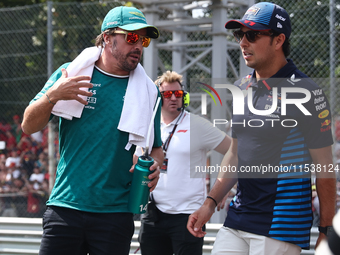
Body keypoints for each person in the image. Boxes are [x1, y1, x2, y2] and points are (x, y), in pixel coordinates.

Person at [187, 2, 336, 255]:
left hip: (281, 226)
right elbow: (235, 154)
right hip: (237, 218)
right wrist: (210, 203)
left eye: (252, 35)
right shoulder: (241, 86)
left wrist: (326, 231)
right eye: (240, 34)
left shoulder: (307, 91)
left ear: (278, 40)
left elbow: (324, 166)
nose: (243, 43)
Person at [21, 6, 164, 255]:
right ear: (108, 38)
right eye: (132, 37)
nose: (138, 45)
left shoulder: (150, 92)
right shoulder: (71, 73)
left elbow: (156, 148)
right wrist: (53, 96)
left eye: (144, 39)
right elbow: (28, 125)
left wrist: (155, 167)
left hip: (115, 214)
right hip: (65, 207)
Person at [138, 71, 231, 255]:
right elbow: (136, 158)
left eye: (178, 94)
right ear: (158, 98)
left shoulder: (197, 125)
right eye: (167, 94)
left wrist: (225, 190)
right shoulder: (149, 125)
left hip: (188, 216)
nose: (173, 98)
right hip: (153, 212)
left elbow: (236, 151)